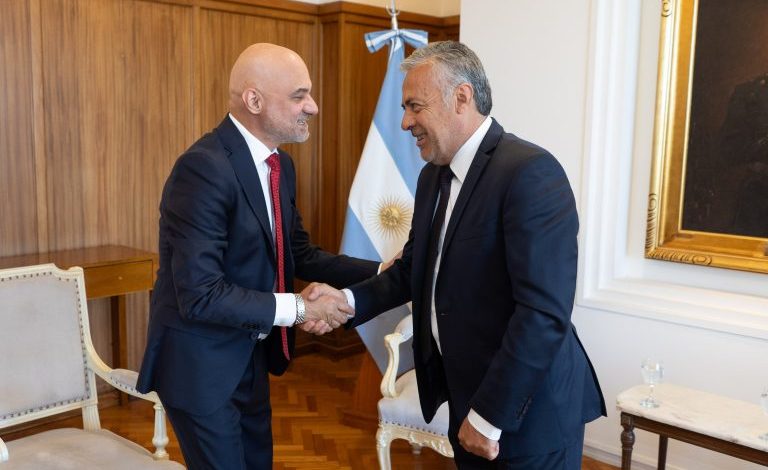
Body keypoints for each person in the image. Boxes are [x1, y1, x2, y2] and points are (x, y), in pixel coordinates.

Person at [310, 41, 606, 469]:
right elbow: (413, 269)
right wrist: (347, 301)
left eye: (415, 106)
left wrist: (488, 417)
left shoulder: (530, 173)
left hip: (526, 415)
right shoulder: (432, 177)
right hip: (466, 400)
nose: (405, 122)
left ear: (462, 97)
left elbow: (542, 313)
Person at [136, 43, 380, 469]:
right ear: (254, 100)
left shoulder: (280, 166)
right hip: (201, 366)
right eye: (299, 96)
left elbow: (297, 253)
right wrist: (302, 308)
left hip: (251, 353)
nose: (313, 107)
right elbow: (201, 294)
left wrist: (382, 270)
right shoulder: (202, 169)